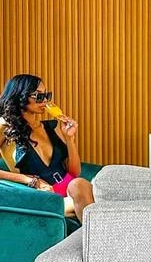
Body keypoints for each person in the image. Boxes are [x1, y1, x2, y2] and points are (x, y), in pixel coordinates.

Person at [0, 74, 94, 221]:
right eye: (39, 96)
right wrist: (29, 180)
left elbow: (75, 172)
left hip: (71, 187)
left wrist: (70, 139)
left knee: (80, 184)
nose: (45, 101)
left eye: (47, 95)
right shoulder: (5, 128)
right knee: (89, 199)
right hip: (44, 194)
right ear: (20, 96)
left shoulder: (52, 127)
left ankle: (93, 231)